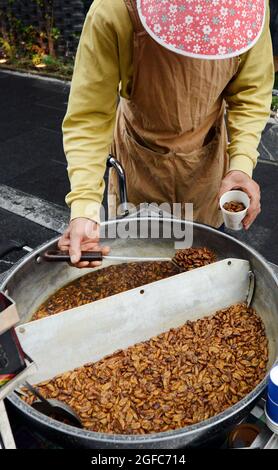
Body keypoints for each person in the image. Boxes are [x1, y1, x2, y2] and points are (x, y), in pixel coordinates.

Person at [60, 0, 274, 268]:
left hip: (205, 168)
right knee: (139, 265)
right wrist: (84, 208)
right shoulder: (113, 10)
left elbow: (250, 94)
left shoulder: (248, 10)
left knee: (202, 262)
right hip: (140, 167)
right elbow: (89, 116)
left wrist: (240, 165)